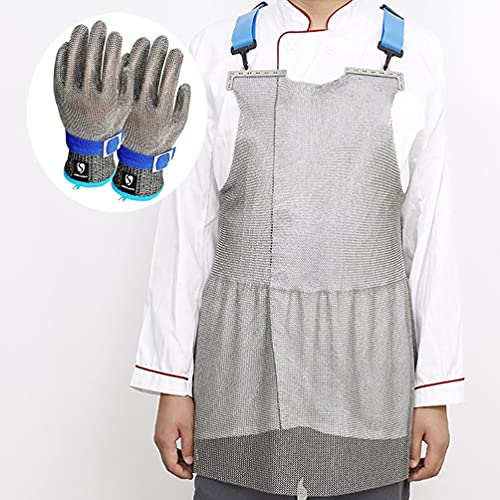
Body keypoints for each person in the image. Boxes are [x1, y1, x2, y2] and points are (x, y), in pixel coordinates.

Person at [130, 1, 464, 499]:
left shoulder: (416, 53)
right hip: (241, 370)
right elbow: (187, 229)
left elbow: (429, 231)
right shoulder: (215, 50)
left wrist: (432, 392)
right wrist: (172, 381)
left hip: (369, 371)